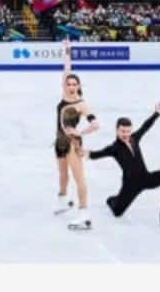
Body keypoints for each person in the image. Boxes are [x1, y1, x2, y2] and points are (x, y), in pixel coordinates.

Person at [86, 103, 160, 231]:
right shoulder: (114, 148)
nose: (126, 134)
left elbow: (145, 126)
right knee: (117, 212)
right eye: (122, 131)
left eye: (128, 131)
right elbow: (97, 154)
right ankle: (112, 200)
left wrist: (156, 114)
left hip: (146, 178)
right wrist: (85, 153)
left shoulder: (134, 138)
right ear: (117, 130)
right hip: (130, 185)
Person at [54, 38, 100, 230]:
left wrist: (80, 132)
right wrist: (67, 50)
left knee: (78, 177)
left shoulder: (81, 104)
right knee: (63, 174)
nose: (71, 86)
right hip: (60, 140)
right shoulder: (64, 95)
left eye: (74, 84)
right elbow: (66, 70)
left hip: (73, 143)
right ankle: (64, 201)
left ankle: (84, 213)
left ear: (79, 86)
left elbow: (96, 124)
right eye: (69, 83)